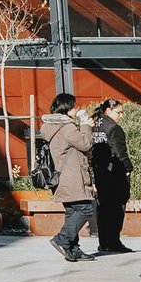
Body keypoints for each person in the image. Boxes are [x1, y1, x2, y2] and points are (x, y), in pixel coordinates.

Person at [41, 92, 98, 263]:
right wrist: (86, 125)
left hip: (63, 177)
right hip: (73, 177)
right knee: (86, 209)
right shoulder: (67, 128)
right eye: (74, 106)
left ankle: (73, 249)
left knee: (72, 211)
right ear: (67, 108)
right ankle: (62, 239)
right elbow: (86, 144)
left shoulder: (53, 127)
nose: (76, 109)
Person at [90, 99, 134, 255]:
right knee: (117, 207)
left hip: (99, 172)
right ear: (108, 110)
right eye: (118, 112)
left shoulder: (95, 125)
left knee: (103, 209)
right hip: (115, 172)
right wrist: (128, 168)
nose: (121, 115)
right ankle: (114, 241)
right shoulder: (114, 128)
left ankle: (104, 242)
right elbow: (120, 152)